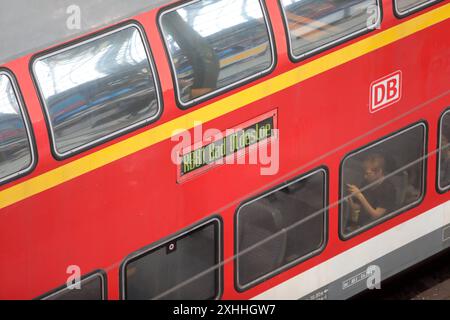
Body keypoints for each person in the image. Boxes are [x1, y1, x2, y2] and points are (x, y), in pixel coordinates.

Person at [162, 11, 220, 100]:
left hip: (203, 85)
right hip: (203, 82)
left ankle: (167, 17)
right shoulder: (207, 65)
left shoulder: (206, 66)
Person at [346, 153, 396, 229]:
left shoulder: (388, 189)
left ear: (379, 172)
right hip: (362, 223)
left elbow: (376, 215)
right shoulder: (366, 182)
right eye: (364, 173)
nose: (365, 177)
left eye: (368, 174)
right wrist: (349, 198)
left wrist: (360, 195)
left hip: (378, 227)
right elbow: (358, 207)